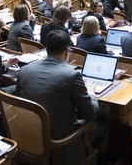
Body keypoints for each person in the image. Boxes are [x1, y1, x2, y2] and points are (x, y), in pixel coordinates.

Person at [15, 30, 108, 164]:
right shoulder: (72, 75)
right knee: (104, 123)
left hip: (29, 134)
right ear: (66, 51)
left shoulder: (25, 70)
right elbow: (91, 115)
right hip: (60, 141)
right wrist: (91, 93)